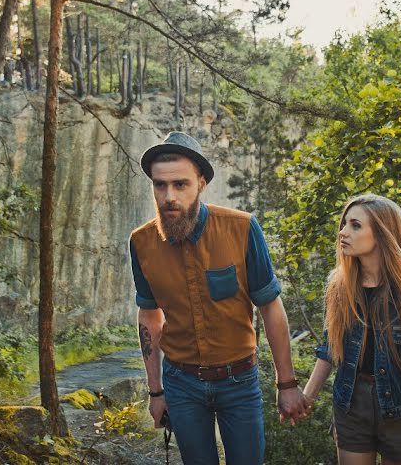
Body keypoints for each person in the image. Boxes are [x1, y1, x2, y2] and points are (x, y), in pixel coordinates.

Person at [130, 131, 308, 465]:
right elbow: (149, 316)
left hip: (239, 382)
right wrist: (156, 391)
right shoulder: (141, 243)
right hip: (181, 384)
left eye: (180, 184)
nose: (168, 196)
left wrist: (287, 384)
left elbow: (270, 306)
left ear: (201, 183)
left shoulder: (241, 229)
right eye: (159, 185)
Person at [302, 194, 401, 465]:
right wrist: (306, 397)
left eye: (355, 225)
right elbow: (330, 348)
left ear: (382, 234)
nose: (343, 232)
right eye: (344, 224)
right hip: (351, 404)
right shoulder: (339, 287)